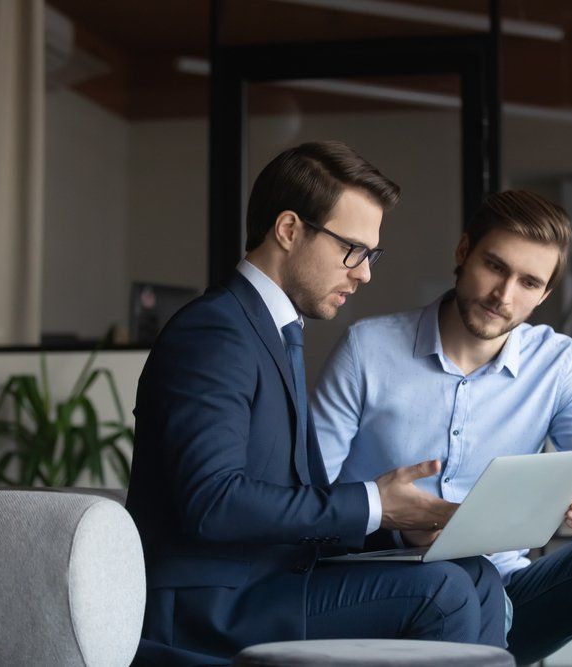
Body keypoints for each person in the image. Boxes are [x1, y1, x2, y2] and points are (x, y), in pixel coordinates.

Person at [126, 141, 505, 666]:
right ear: (288, 230)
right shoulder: (215, 331)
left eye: (371, 254)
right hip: (210, 604)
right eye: (353, 249)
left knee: (476, 574)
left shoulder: (270, 331)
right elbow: (212, 502)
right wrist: (373, 503)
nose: (364, 273)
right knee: (442, 591)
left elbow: (284, 503)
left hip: (272, 580)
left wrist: (392, 525)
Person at [312, 189, 572, 666]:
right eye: (495, 267)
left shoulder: (559, 363)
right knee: (464, 586)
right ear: (463, 253)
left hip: (504, 589)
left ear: (544, 295)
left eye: (528, 282)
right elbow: (307, 497)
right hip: (384, 588)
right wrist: (392, 525)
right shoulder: (366, 350)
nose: (504, 296)